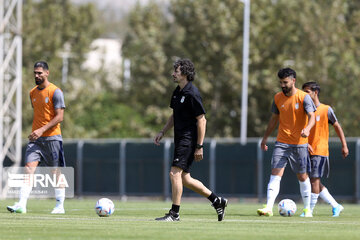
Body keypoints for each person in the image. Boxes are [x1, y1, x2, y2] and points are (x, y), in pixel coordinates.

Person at [153, 59, 227, 222]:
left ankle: (174, 214)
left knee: (174, 174)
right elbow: (174, 115)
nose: (173, 74)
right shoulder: (177, 91)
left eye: (176, 71)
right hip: (179, 139)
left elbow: (202, 120)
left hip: (189, 139)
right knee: (184, 178)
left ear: (185, 74)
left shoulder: (192, 93)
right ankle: (217, 201)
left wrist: (199, 146)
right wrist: (162, 131)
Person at [7, 61, 66, 214]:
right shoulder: (33, 92)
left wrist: (42, 130)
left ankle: (60, 206)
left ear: (47, 73)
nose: (37, 75)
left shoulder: (55, 92)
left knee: (55, 172)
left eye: (40, 73)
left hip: (52, 139)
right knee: (28, 169)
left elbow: (59, 117)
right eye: (35, 73)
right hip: (36, 140)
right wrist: (37, 132)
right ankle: (21, 204)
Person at [257, 68, 316, 217]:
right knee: (275, 174)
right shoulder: (277, 98)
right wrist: (265, 138)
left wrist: (308, 129)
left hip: (300, 143)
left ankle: (307, 209)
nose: (282, 85)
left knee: (302, 176)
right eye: (281, 82)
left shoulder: (304, 98)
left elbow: (312, 117)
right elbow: (274, 120)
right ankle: (269, 208)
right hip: (282, 142)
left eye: (285, 82)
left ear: (293, 81)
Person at [302, 81, 349, 217]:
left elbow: (337, 126)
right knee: (312, 180)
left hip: (320, 150)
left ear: (315, 92)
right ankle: (336, 205)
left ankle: (308, 211)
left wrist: (344, 145)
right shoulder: (305, 111)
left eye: (307, 92)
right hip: (306, 149)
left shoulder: (326, 109)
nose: (304, 94)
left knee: (314, 181)